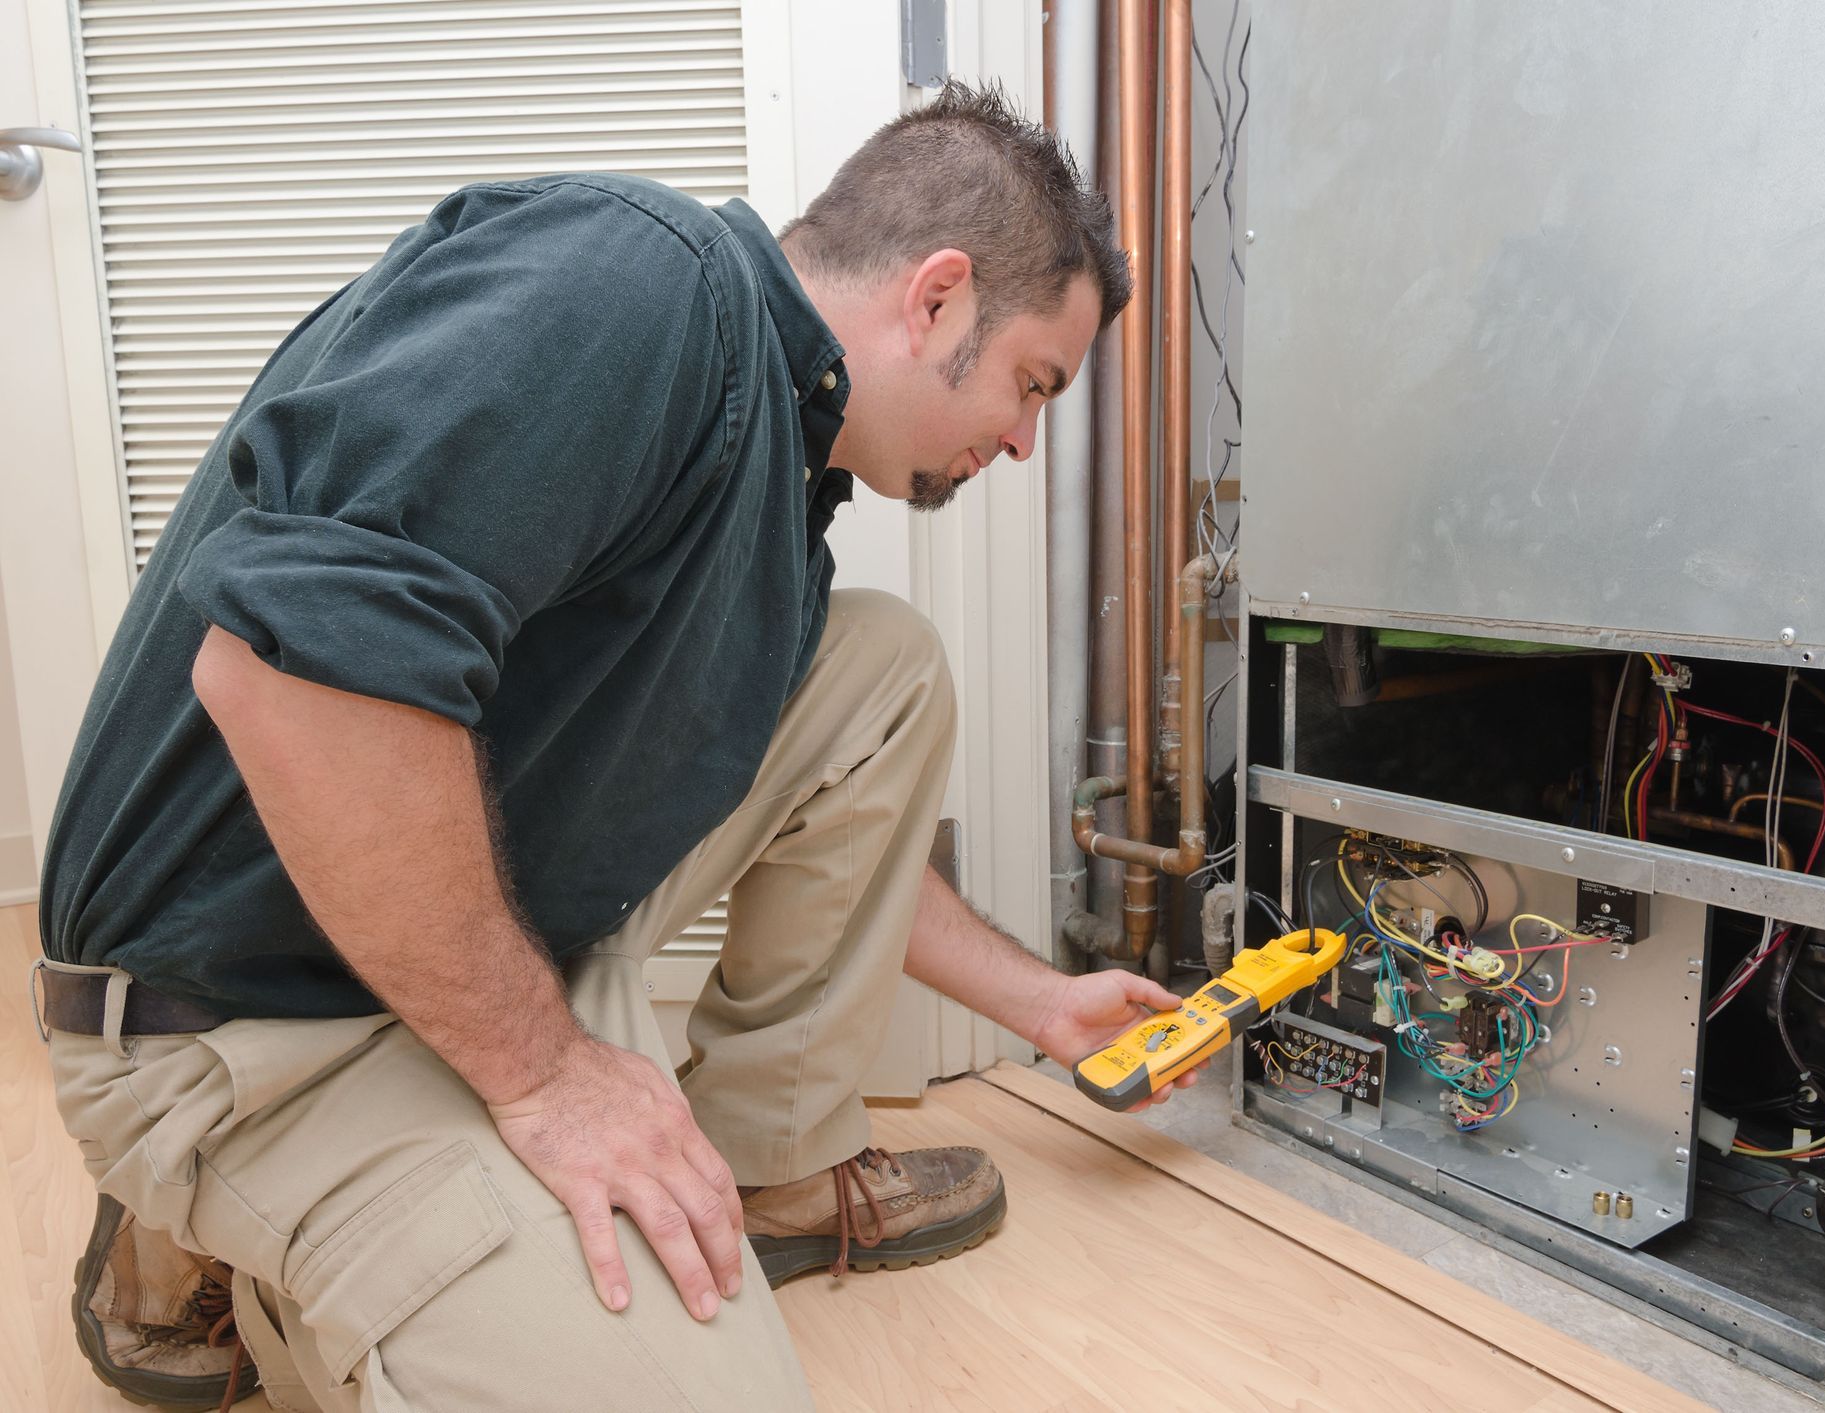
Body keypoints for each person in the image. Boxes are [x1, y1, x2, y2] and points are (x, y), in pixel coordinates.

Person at [33, 81, 1197, 1412]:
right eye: (1031, 384)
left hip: (467, 922)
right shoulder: (644, 286)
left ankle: (754, 1172)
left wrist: (1042, 1007)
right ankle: (245, 1232)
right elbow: (285, 677)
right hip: (255, 1015)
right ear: (936, 298)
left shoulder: (772, 473)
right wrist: (545, 1075)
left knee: (884, 667)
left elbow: (789, 797)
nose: (1023, 438)